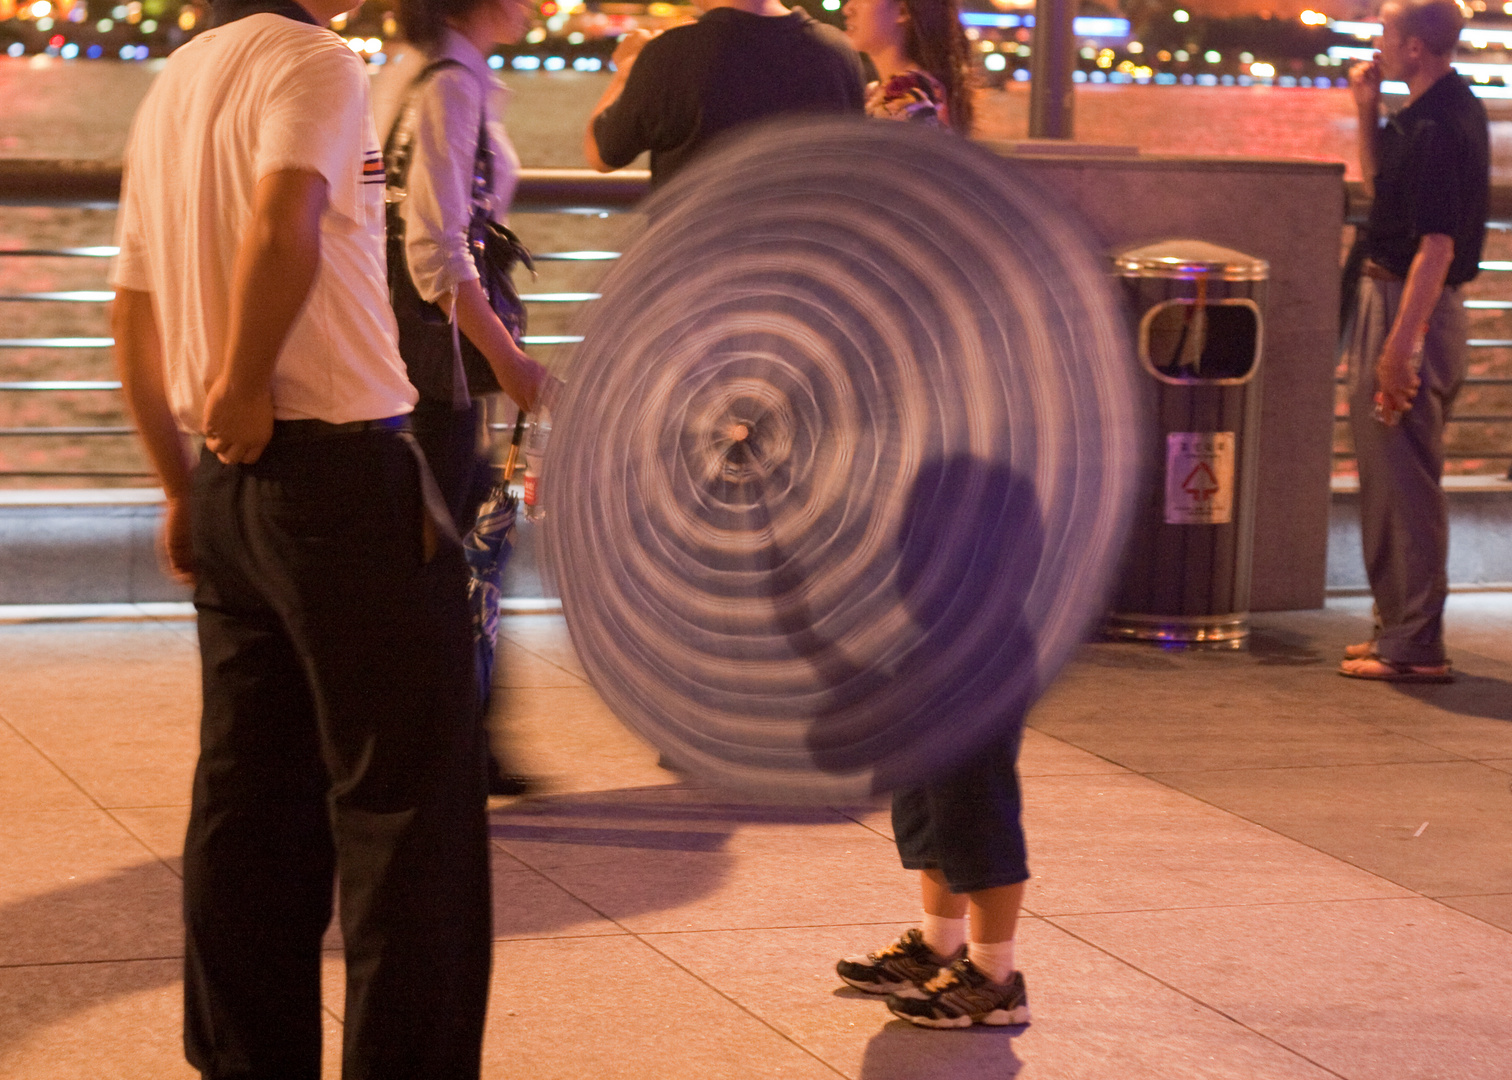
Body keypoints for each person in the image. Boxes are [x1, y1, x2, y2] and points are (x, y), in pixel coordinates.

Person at [110, 0, 492, 1075]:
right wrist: (239, 385)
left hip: (232, 496)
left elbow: (131, 312)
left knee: (249, 804)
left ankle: (243, 1059)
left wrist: (181, 484)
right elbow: (285, 221)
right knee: (407, 810)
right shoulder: (316, 61)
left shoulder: (175, 84)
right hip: (336, 476)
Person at [831, 0, 1029, 1032]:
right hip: (919, 460)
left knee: (962, 724)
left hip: (952, 474)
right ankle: (943, 949)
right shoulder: (901, 110)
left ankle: (995, 974)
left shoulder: (910, 121)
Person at [376, 0, 547, 795]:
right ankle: (447, 745)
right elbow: (434, 249)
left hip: (402, 356)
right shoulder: (449, 84)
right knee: (451, 553)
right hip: (431, 361)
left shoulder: (410, 73)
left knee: (451, 545)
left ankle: (461, 736)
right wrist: (507, 359)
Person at [1340, 0, 1488, 684]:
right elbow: (1384, 196)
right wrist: (1366, 110)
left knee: (1405, 478)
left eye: (1386, 35)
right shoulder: (1426, 114)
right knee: (1390, 473)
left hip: (1410, 306)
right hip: (1400, 300)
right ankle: (1398, 629)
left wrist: (1400, 346)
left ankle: (1416, 643)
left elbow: (1435, 244)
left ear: (1415, 48)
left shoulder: (1436, 125)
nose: (1379, 43)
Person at [583, 0, 866, 187]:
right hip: (807, 266)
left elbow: (603, 155)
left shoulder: (674, 52)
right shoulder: (837, 52)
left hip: (700, 266)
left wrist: (627, 70)